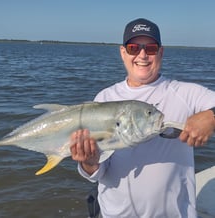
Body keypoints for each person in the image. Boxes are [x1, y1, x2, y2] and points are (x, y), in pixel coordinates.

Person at [70, 18, 215, 217]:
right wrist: (88, 162)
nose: (142, 55)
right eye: (133, 47)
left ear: (161, 52)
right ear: (123, 53)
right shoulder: (104, 98)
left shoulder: (185, 94)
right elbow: (98, 171)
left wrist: (210, 116)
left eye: (151, 48)